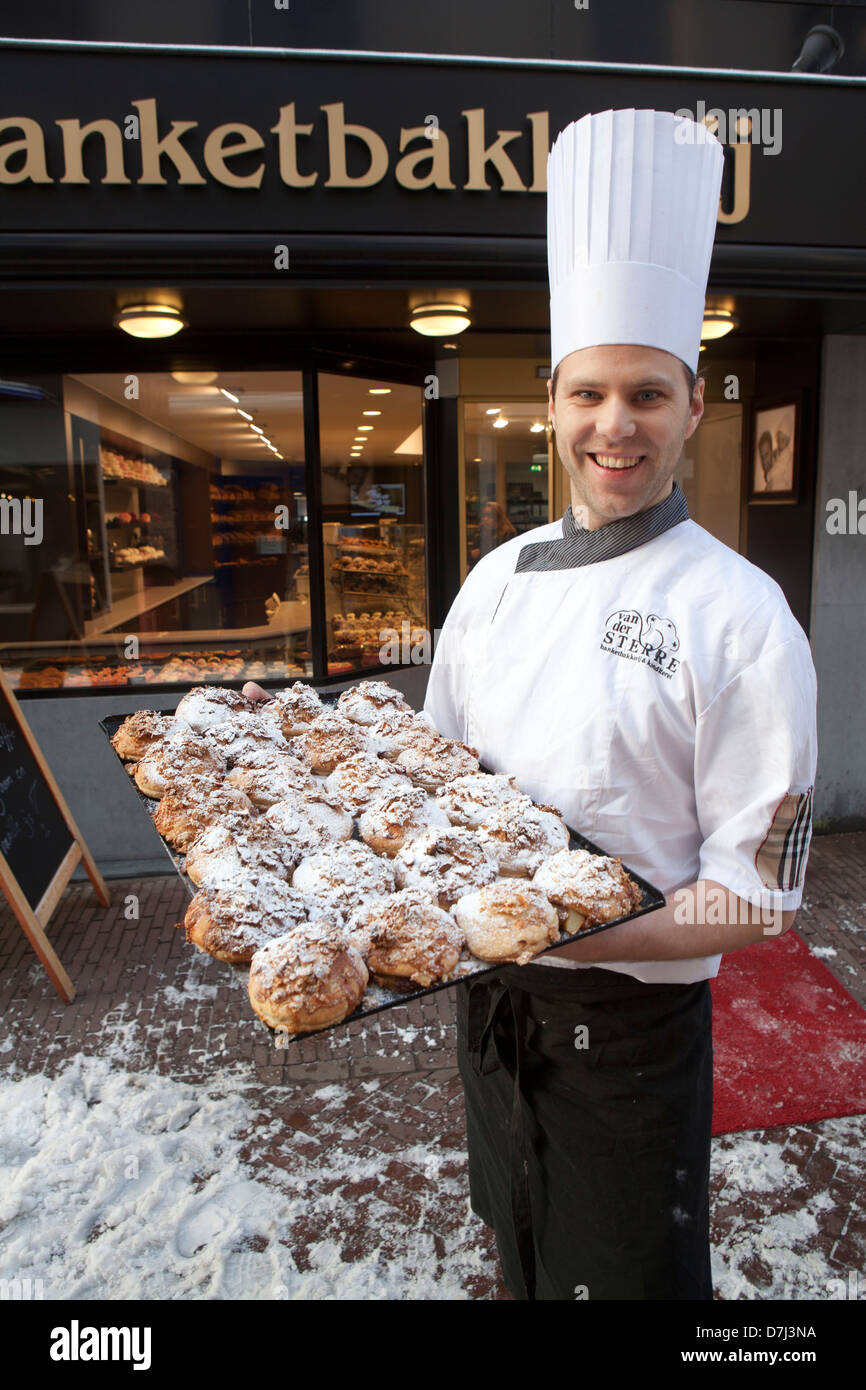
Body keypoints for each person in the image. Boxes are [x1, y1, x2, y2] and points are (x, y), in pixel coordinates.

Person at [422, 109, 817, 1301]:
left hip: (630, 1042)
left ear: (693, 407)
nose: (614, 425)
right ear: (549, 401)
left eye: (646, 394)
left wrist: (567, 928)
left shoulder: (742, 617)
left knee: (628, 1280)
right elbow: (434, 781)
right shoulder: (492, 581)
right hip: (488, 1011)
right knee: (518, 1244)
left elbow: (753, 899)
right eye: (587, 392)